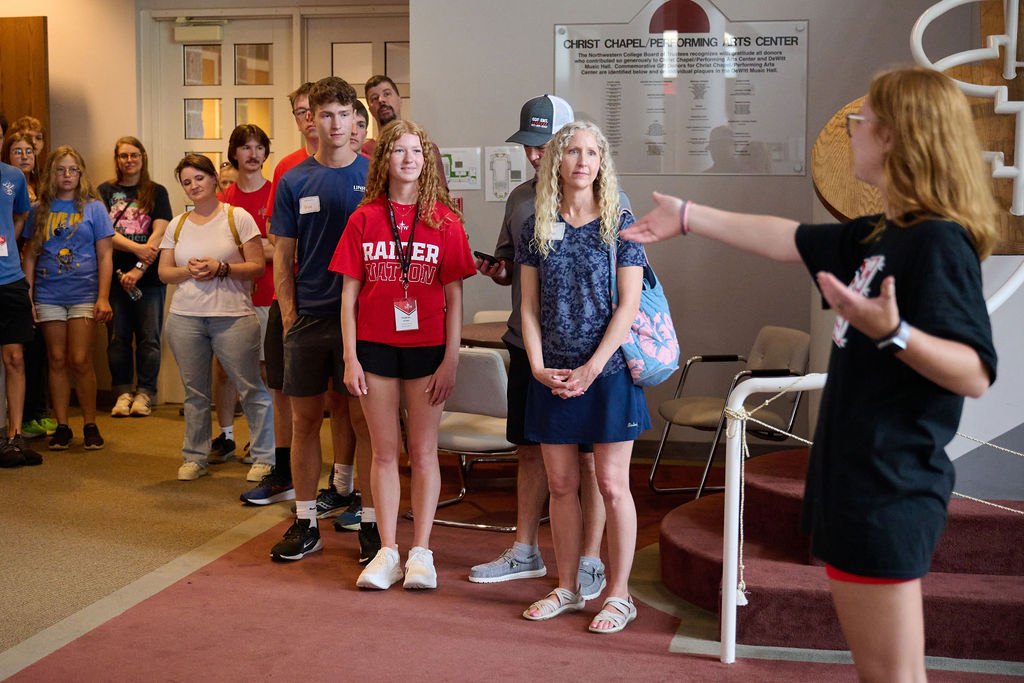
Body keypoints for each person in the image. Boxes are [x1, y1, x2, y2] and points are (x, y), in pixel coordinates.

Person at [621, 66, 997, 678]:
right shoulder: (879, 235)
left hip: (889, 487)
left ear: (896, 137)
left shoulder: (936, 243)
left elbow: (974, 372)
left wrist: (894, 332)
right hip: (854, 482)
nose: (852, 130)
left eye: (862, 120)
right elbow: (788, 238)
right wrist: (688, 216)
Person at [469, 95, 611, 599]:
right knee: (530, 451)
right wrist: (497, 270)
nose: (533, 155)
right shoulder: (520, 199)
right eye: (528, 146)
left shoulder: (605, 199)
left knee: (588, 461)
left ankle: (590, 559)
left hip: (587, 354)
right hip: (528, 347)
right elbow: (512, 269)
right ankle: (525, 550)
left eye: (542, 145)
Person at [518, 121, 649, 634]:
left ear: (602, 163)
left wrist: (593, 369)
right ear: (557, 160)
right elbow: (529, 308)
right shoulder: (538, 224)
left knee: (613, 485)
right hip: (553, 373)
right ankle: (568, 588)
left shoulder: (620, 223)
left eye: (592, 153)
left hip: (608, 372)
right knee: (561, 484)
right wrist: (536, 366)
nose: (582, 161)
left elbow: (629, 306)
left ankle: (619, 594)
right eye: (573, 151)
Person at [334, 119, 476, 590]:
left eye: (417, 151)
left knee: (424, 451)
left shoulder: (445, 220)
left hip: (428, 350)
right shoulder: (363, 218)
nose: (409, 158)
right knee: (383, 452)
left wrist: (451, 359)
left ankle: (422, 552)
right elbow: (348, 296)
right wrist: (351, 357)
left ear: (427, 161)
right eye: (399, 150)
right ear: (384, 160)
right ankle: (388, 550)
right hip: (374, 348)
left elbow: (455, 297)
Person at [268, 76, 374, 562]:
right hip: (309, 319)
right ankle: (306, 521)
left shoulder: (375, 176)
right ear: (312, 119)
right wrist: (289, 314)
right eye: (325, 114)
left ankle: (370, 522)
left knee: (364, 422)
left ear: (355, 120)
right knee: (305, 421)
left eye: (343, 115)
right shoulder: (293, 180)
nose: (334, 124)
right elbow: (282, 256)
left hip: (365, 322)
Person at [157, 154, 274, 483]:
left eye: (199, 178)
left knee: (251, 388)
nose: (193, 186)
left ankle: (265, 457)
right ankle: (195, 457)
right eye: (187, 182)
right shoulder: (177, 224)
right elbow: (164, 273)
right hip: (185, 317)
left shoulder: (238, 217)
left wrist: (221, 268)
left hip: (233, 316)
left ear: (213, 179)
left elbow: (257, 266)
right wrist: (188, 270)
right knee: (195, 393)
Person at [22, 146, 114, 451]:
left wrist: (103, 297)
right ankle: (62, 425)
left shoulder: (94, 208)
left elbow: (105, 256)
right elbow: (30, 256)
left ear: (81, 173)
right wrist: (28, 298)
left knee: (80, 359)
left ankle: (90, 423)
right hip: (48, 294)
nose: (67, 175)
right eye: (60, 169)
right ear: (51, 173)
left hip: (84, 294)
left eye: (73, 169)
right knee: (57, 359)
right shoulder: (39, 209)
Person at [210, 124, 274, 466]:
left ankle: (263, 438)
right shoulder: (222, 201)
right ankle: (225, 436)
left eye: (259, 147)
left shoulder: (275, 193)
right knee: (224, 369)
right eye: (246, 147)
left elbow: (282, 249)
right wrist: (256, 247)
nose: (253, 154)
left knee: (263, 371)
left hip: (268, 294)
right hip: (229, 295)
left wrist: (244, 250)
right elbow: (215, 250)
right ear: (234, 153)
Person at [98, 137, 172, 419]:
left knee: (149, 339)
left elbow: (160, 233)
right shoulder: (104, 191)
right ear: (117, 160)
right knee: (117, 339)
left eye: (134, 155)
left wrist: (139, 267)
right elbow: (104, 232)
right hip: (114, 277)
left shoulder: (157, 191)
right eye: (123, 156)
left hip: (149, 279)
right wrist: (136, 249)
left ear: (143, 158)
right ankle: (122, 393)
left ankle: (144, 394)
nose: (129, 160)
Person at [0, 147, 42, 467]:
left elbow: (18, 218)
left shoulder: (13, 176)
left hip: (10, 280)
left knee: (15, 358)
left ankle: (15, 436)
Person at [362, 75, 448, 188]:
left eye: (387, 94)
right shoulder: (364, 152)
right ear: (370, 109)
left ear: (400, 99)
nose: (381, 100)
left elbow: (440, 193)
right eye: (374, 98)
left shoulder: (426, 147)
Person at [1, 132, 39, 202]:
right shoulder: (4, 188)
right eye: (17, 152)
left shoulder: (43, 185)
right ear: (8, 157)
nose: (24, 157)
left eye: (29, 151)